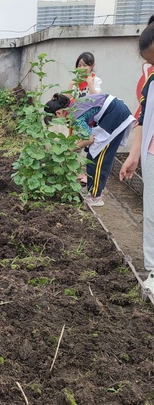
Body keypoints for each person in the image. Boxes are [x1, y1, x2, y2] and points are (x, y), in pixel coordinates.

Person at [45, 93, 135, 207]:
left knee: (98, 158)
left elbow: (89, 139)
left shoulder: (75, 115)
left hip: (115, 115)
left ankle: (95, 197)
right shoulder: (72, 105)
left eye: (55, 120)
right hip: (113, 113)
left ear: (58, 113)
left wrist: (67, 151)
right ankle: (91, 189)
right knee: (92, 155)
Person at [120, 15, 154, 291]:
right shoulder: (151, 79)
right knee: (152, 212)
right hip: (152, 154)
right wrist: (133, 155)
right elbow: (144, 117)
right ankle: (153, 273)